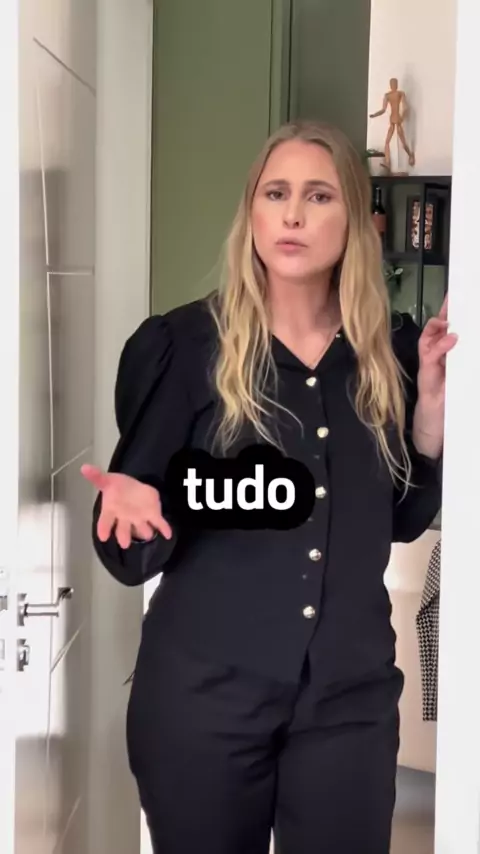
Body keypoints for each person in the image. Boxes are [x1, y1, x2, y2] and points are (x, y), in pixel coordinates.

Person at [82, 121, 456, 854]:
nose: (293, 216)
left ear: (354, 219)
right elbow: (129, 555)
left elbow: (402, 520)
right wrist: (135, 515)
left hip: (348, 704)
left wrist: (429, 422)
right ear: (251, 212)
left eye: (318, 196)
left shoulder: (391, 356)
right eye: (275, 193)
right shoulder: (186, 348)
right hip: (202, 706)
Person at [370, 77, 416, 171]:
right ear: (390, 85)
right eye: (392, 84)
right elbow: (383, 109)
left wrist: (402, 117)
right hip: (392, 119)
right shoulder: (387, 95)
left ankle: (410, 155)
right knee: (387, 142)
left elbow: (405, 107)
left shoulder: (400, 93)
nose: (394, 85)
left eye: (395, 83)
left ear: (397, 84)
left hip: (398, 119)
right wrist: (374, 115)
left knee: (403, 143)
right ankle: (387, 162)